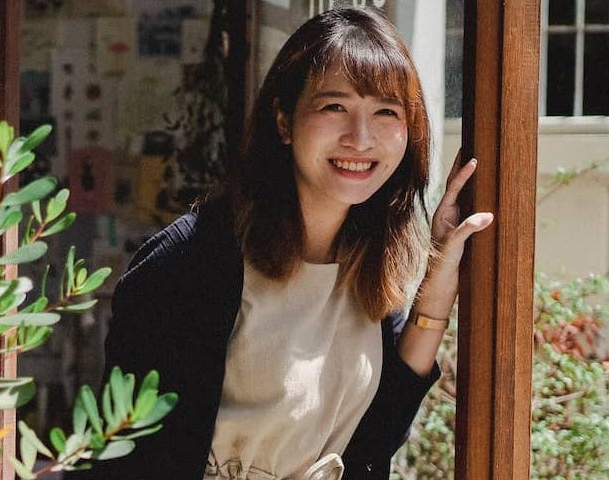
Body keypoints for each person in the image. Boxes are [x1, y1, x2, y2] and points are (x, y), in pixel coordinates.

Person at [73, 7, 493, 480]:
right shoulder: (192, 262)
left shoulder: (369, 262)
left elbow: (376, 436)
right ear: (283, 119)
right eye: (334, 106)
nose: (360, 137)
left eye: (386, 112)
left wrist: (438, 272)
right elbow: (120, 455)